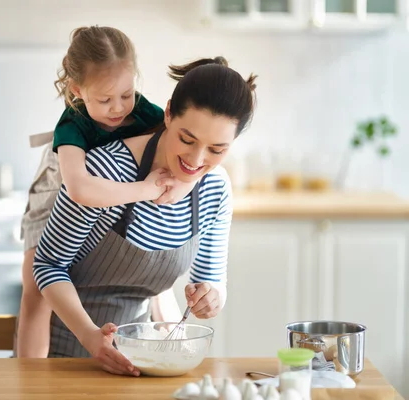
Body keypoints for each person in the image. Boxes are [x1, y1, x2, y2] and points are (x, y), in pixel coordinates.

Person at [32, 56, 257, 375]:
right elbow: (48, 265)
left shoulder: (215, 189)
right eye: (187, 139)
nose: (196, 159)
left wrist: (211, 298)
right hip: (69, 358)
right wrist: (90, 337)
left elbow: (211, 280)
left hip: (146, 362)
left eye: (217, 150)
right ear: (167, 114)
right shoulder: (106, 172)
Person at [17, 25, 193, 357]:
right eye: (105, 99)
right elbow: (79, 189)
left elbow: (176, 141)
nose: (118, 108)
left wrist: (187, 182)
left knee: (152, 270)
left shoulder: (140, 110)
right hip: (64, 182)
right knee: (36, 285)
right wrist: (144, 188)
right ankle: (30, 376)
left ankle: (167, 338)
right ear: (78, 90)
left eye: (126, 94)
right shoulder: (72, 124)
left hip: (124, 186)